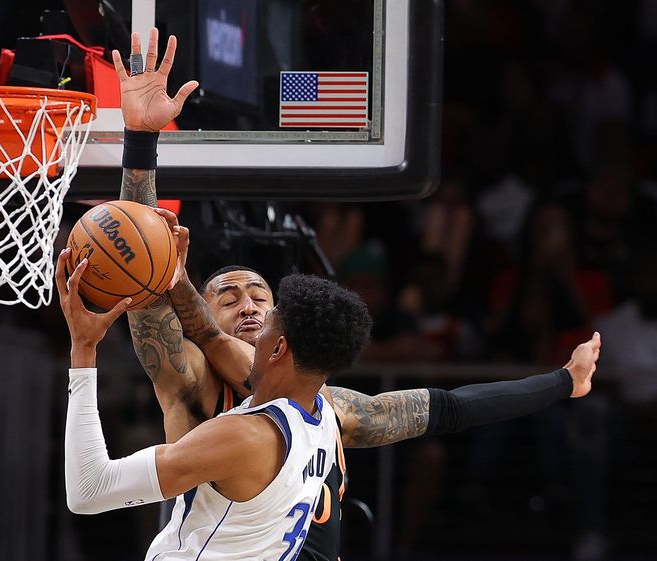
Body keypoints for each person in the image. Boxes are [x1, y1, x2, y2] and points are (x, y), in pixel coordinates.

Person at [114, 27, 603, 561]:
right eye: (228, 298)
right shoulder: (195, 387)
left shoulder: (333, 411)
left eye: (258, 295)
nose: (248, 304)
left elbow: (451, 408)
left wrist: (562, 382)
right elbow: (141, 282)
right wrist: (140, 142)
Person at [57, 246, 371, 559]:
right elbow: (214, 339)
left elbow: (89, 490)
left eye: (265, 324)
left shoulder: (242, 437)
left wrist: (83, 349)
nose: (252, 319)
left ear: (277, 350)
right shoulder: (325, 415)